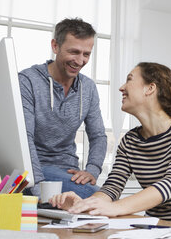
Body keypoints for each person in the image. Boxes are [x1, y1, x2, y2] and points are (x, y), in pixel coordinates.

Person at [50, 62, 171, 228]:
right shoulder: (130, 141)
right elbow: (112, 188)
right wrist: (85, 205)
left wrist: (114, 208)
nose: (121, 88)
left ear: (150, 88)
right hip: (155, 230)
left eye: (129, 80)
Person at [19, 18, 107, 199]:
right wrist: (40, 192)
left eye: (86, 54)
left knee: (99, 200)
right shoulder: (27, 81)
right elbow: (24, 137)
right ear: (55, 46)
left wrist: (92, 170)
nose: (80, 61)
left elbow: (98, 136)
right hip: (35, 170)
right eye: (74, 52)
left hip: (68, 172)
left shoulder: (88, 87)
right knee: (99, 198)